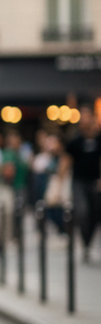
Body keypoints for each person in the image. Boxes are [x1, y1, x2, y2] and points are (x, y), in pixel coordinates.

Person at [64, 105, 101, 261]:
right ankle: (85, 242)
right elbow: (66, 161)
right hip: (79, 181)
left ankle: (88, 243)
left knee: (95, 214)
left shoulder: (99, 139)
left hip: (95, 182)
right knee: (82, 211)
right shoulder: (75, 141)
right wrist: (59, 183)